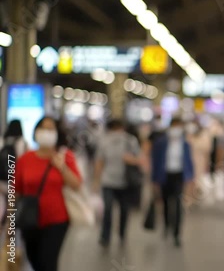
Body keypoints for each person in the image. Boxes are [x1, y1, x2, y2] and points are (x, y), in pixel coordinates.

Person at [15, 116, 82, 271]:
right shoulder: (25, 159)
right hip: (29, 220)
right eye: (43, 128)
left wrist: (62, 167)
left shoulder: (65, 156)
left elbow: (76, 185)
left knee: (48, 263)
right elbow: (16, 191)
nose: (46, 132)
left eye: (50, 129)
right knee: (34, 261)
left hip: (57, 220)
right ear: (36, 132)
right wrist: (10, 223)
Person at [93, 119, 141, 247]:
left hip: (126, 183)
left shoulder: (131, 141)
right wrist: (97, 180)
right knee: (107, 209)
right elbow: (99, 161)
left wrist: (131, 160)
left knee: (125, 210)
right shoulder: (104, 141)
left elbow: (140, 159)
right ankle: (105, 236)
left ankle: (122, 233)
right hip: (108, 181)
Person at [151, 117, 194, 247]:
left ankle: (177, 234)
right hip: (165, 176)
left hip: (178, 176)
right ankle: (166, 225)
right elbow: (155, 162)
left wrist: (191, 178)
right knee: (165, 203)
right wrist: (154, 180)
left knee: (178, 205)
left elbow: (188, 161)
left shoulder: (185, 144)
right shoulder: (161, 143)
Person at [1, 120, 28, 223]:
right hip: (15, 183)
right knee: (14, 210)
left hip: (2, 183)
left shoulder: (2, 141)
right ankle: (11, 232)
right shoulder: (23, 143)